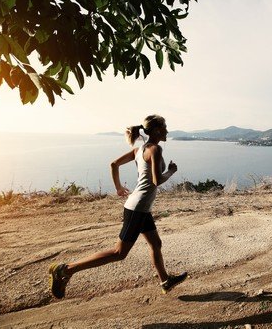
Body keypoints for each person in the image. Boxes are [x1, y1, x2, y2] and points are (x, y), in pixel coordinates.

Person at [49, 115, 187, 299]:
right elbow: (156, 180)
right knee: (119, 252)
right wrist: (171, 171)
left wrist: (118, 188)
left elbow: (114, 164)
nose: (168, 131)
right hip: (138, 208)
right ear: (156, 131)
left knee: (156, 243)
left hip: (140, 207)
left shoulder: (140, 150)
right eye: (165, 127)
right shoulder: (155, 149)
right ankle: (65, 270)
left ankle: (165, 281)